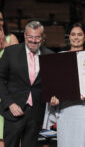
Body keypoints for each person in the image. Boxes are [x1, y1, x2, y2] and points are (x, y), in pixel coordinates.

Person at [43, 22, 85, 147]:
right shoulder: (58, 58)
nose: (76, 37)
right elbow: (53, 85)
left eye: (79, 34)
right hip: (65, 111)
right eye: (73, 34)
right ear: (69, 36)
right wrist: (52, 99)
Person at [0, 21, 53, 147]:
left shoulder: (49, 55)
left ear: (42, 37)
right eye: (30, 36)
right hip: (14, 112)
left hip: (36, 113)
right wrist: (9, 103)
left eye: (37, 37)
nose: (33, 40)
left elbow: (53, 82)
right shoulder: (10, 52)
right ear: (24, 35)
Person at [0, 11, 19, 147]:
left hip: (6, 97)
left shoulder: (11, 38)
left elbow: (19, 68)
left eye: (1, 19)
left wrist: (4, 46)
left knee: (7, 139)